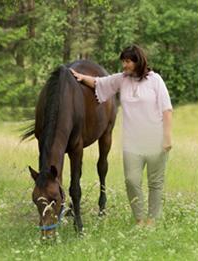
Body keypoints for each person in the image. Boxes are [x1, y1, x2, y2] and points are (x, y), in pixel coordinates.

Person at [70, 44, 173, 227]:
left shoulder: (155, 80)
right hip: (132, 142)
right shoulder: (121, 80)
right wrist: (80, 77)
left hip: (155, 139)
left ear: (137, 61)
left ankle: (152, 220)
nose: (124, 65)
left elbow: (167, 110)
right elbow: (99, 83)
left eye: (127, 61)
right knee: (132, 181)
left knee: (155, 183)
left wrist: (167, 137)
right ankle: (140, 219)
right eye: (123, 61)